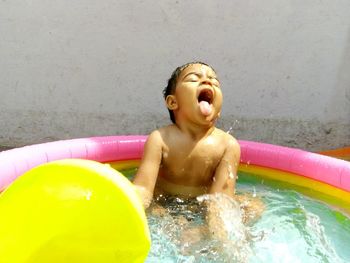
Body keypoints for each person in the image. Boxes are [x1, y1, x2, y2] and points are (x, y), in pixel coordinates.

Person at [133, 62, 263, 240]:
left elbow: (220, 199)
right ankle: (176, 225)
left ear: (219, 109)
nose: (207, 82)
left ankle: (205, 233)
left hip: (204, 204)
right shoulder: (161, 139)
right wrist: (135, 210)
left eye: (214, 82)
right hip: (164, 201)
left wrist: (213, 228)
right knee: (153, 208)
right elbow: (143, 188)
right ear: (173, 102)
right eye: (194, 79)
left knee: (255, 205)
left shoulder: (228, 145)